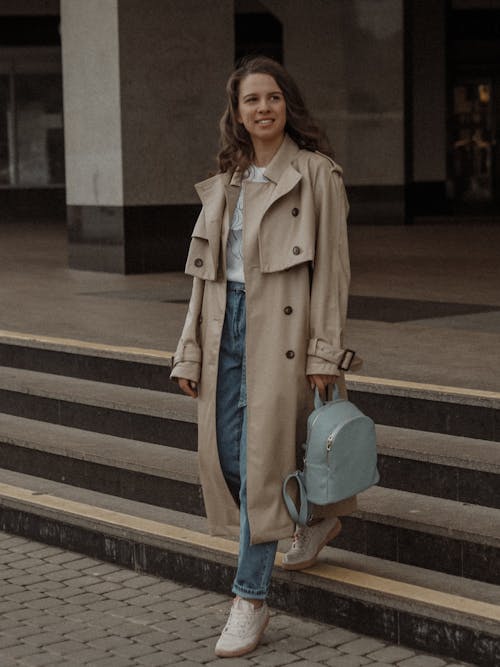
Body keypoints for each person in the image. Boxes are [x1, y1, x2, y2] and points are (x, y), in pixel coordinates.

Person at [170, 55, 361, 659]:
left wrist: (325, 349)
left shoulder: (316, 175)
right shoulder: (225, 181)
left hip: (282, 336)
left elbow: (333, 270)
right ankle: (311, 514)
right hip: (225, 327)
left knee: (258, 467)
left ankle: (249, 597)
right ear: (237, 113)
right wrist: (188, 352)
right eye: (251, 100)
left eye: (273, 97)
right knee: (228, 458)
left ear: (287, 105)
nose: (263, 108)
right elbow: (203, 278)